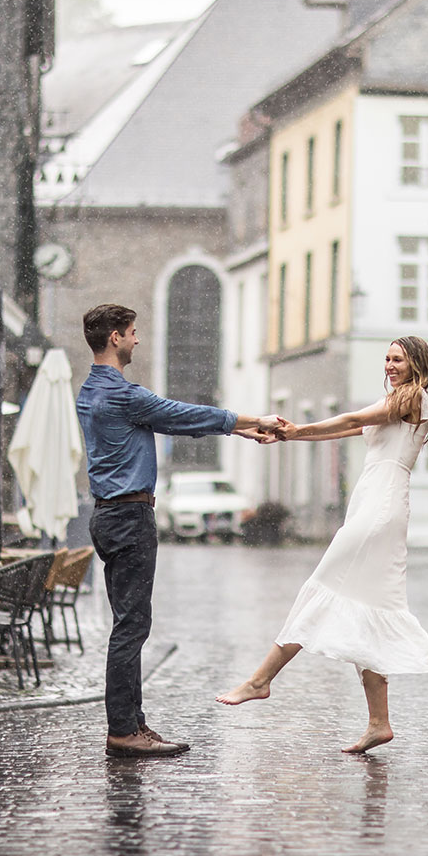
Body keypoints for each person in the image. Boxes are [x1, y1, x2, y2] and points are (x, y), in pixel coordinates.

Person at [76, 304, 282, 760]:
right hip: (129, 518)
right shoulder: (124, 395)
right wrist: (253, 422)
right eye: (132, 332)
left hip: (107, 515)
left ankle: (132, 722)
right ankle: (123, 730)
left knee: (128, 625)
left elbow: (175, 420)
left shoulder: (88, 392)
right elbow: (181, 414)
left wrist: (242, 433)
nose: (137, 339)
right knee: (131, 627)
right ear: (114, 338)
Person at [217, 336, 428, 754]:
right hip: (374, 502)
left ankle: (261, 680)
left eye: (399, 360)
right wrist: (292, 436)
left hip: (381, 507)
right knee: (367, 605)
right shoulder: (395, 402)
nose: (390, 366)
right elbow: (349, 429)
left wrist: (298, 428)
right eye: (387, 358)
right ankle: (379, 723)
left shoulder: (413, 397)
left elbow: (352, 416)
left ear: (416, 365)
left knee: (324, 585)